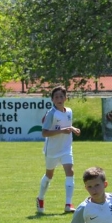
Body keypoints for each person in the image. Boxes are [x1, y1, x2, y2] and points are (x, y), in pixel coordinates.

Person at [37, 86, 80, 214]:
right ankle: (40, 198)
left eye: (61, 96)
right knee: (49, 175)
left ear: (66, 98)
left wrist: (73, 129)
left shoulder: (69, 111)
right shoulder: (51, 113)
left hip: (66, 148)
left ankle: (68, 204)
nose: (59, 99)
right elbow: (44, 133)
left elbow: (66, 125)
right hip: (52, 150)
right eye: (56, 97)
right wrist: (62, 131)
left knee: (70, 171)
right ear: (52, 100)